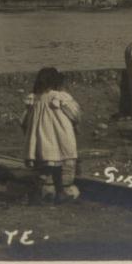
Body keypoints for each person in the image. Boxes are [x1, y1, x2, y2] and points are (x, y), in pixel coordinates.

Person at [22, 67, 82, 202]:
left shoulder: (34, 99)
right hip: (60, 137)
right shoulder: (60, 97)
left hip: (41, 138)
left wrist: (29, 133)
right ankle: (43, 193)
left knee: (49, 165)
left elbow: (25, 120)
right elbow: (75, 113)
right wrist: (76, 124)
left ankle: (52, 192)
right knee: (56, 167)